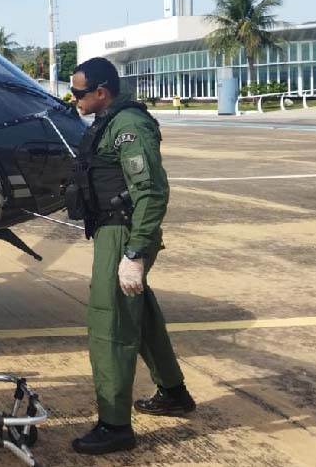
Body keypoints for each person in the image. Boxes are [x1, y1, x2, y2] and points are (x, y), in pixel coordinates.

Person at [65, 56, 195, 455]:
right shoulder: (107, 122)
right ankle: (173, 392)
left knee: (111, 324)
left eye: (80, 92)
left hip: (124, 233)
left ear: (102, 92)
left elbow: (152, 191)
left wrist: (135, 252)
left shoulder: (129, 126)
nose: (75, 99)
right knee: (142, 316)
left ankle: (115, 425)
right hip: (113, 229)